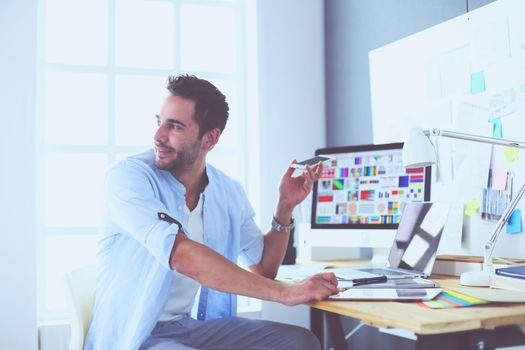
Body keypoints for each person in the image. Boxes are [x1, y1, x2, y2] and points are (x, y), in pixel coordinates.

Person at [85, 74, 338, 350]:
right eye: (159, 122)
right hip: (135, 335)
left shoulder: (227, 191)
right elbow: (180, 254)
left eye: (175, 127)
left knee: (300, 342)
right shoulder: (128, 179)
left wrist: (285, 205)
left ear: (210, 138)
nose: (158, 136)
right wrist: (286, 292)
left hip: (190, 328)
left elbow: (264, 269)